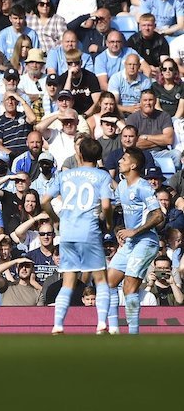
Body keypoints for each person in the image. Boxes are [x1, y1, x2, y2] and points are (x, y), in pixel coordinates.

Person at [41, 138, 114, 335]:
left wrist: (56, 218)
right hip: (89, 231)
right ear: (99, 157)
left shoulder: (66, 175)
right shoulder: (102, 176)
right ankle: (101, 324)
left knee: (68, 281)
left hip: (67, 232)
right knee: (100, 279)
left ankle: (57, 325)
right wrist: (109, 222)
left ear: (79, 154)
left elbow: (45, 200)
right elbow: (106, 205)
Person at [107, 147, 164, 334]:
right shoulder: (122, 185)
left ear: (133, 165)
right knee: (109, 283)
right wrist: (119, 231)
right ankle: (114, 330)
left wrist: (134, 231)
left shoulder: (143, 186)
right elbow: (120, 212)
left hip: (146, 242)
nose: (119, 161)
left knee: (129, 288)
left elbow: (158, 216)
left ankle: (133, 336)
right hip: (131, 243)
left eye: (124, 159)